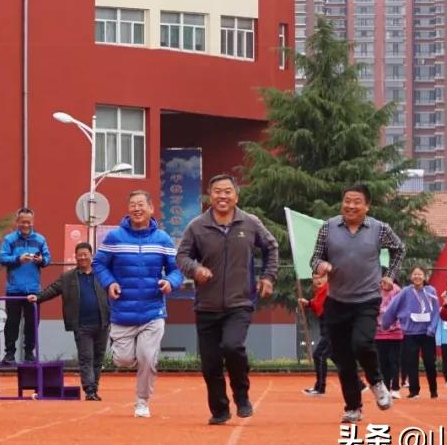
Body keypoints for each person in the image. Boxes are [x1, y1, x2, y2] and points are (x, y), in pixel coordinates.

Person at [177, 175, 278, 425]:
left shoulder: (250, 223)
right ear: (210, 196)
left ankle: (242, 397)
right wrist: (195, 270)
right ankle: (220, 409)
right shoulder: (197, 226)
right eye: (217, 192)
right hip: (206, 305)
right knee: (210, 363)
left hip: (239, 302)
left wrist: (267, 277)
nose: (223, 196)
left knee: (232, 346)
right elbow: (182, 256)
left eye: (228, 192)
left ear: (236, 196)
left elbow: (271, 247)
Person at [310, 184, 403, 423]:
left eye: (357, 202)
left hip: (367, 299)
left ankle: (376, 382)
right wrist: (321, 266)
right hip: (337, 300)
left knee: (361, 343)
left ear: (367, 206)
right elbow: (315, 257)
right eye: (347, 201)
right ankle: (353, 407)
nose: (351, 205)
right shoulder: (328, 227)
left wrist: (390, 275)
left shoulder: (379, 229)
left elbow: (399, 249)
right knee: (343, 358)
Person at [93, 190, 182, 419]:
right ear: (128, 209)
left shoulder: (162, 239)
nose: (137, 208)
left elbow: (177, 269)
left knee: (147, 357)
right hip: (122, 310)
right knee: (123, 360)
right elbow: (99, 264)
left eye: (141, 204)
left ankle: (142, 401)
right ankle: (129, 355)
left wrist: (170, 282)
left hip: (153, 310)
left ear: (151, 209)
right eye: (132, 204)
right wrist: (109, 282)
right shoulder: (115, 237)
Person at [29, 242, 110, 400]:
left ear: (91, 255)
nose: (82, 258)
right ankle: (89, 390)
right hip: (81, 325)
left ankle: (94, 387)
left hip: (102, 323)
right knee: (86, 357)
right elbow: (53, 289)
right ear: (76, 257)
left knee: (98, 358)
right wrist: (38, 297)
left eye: (85, 254)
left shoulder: (101, 275)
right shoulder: (68, 277)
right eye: (79, 255)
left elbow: (116, 288)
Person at [0, 208, 50, 364]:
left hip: (34, 290)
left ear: (33, 222)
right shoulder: (9, 239)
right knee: (11, 323)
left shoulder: (40, 240)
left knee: (32, 323)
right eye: (23, 222)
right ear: (17, 222)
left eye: (28, 222)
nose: (26, 225)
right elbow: (2, 258)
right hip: (14, 289)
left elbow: (47, 258)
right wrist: (18, 259)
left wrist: (41, 260)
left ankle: (29, 353)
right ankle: (9, 354)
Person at [382, 266, 440, 400]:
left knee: (430, 363)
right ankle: (414, 391)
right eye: (415, 274)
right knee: (411, 363)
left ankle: (433, 390)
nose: (417, 277)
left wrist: (432, 328)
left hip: (427, 334)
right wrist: (386, 322)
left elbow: (436, 311)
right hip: (410, 334)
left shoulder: (431, 291)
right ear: (411, 276)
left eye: (420, 274)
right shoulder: (405, 292)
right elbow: (393, 307)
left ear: (425, 277)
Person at [299, 273, 330, 397]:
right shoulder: (320, 291)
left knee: (319, 355)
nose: (317, 280)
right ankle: (360, 385)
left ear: (327, 277)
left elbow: (319, 306)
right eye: (315, 277)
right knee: (336, 357)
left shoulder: (328, 289)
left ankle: (320, 388)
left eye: (321, 277)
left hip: (332, 327)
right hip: (327, 326)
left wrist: (308, 304)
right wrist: (308, 303)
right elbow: (317, 304)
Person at [375, 276, 403, 399]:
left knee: (394, 361)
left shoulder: (398, 291)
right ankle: (385, 387)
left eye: (386, 280)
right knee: (382, 362)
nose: (383, 283)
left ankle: (395, 388)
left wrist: (385, 311)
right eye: (381, 281)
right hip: (379, 333)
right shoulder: (375, 291)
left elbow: (400, 309)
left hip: (395, 332)